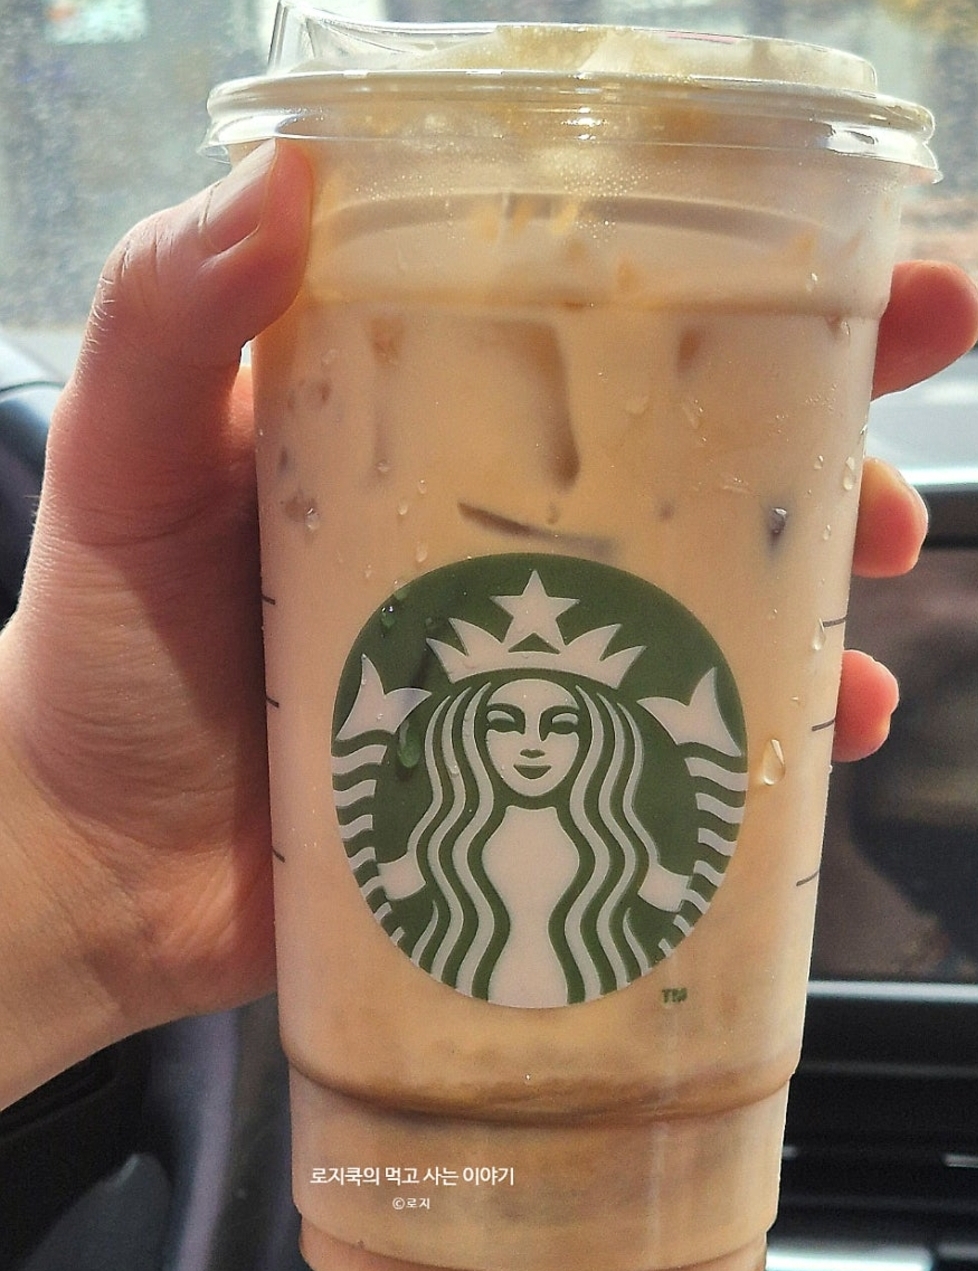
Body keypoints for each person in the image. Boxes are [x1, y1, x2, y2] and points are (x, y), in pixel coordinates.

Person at [0, 139, 976, 1111]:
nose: (535, 744)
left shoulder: (613, 867)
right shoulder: (454, 857)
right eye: (506, 718)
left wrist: (78, 849)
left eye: (561, 722)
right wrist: (78, 837)